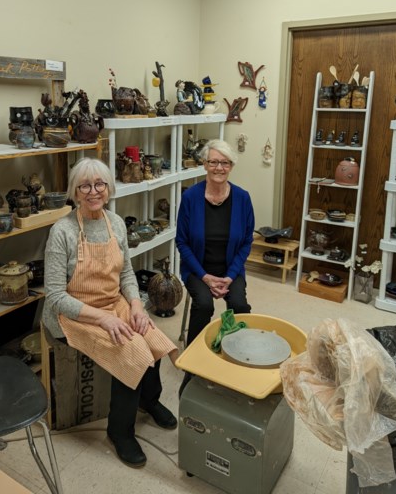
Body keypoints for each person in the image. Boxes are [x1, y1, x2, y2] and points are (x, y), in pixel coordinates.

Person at [43, 158, 179, 469]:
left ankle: (149, 400)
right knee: (131, 351)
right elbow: (54, 297)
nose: (94, 191)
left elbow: (127, 274)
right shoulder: (62, 232)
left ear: (109, 188)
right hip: (75, 313)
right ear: (75, 192)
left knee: (152, 336)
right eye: (86, 186)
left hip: (112, 301)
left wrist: (135, 305)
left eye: (100, 184)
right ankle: (120, 431)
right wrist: (104, 318)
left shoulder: (115, 223)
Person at [174, 139, 254, 395]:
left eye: (224, 162)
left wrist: (230, 277)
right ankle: (193, 368)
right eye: (213, 162)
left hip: (230, 269)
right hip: (198, 269)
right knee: (204, 305)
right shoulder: (190, 197)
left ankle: (239, 358)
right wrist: (206, 277)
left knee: (240, 306)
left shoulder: (242, 198)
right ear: (204, 165)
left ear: (231, 166)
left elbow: (246, 242)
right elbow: (182, 242)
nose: (219, 167)